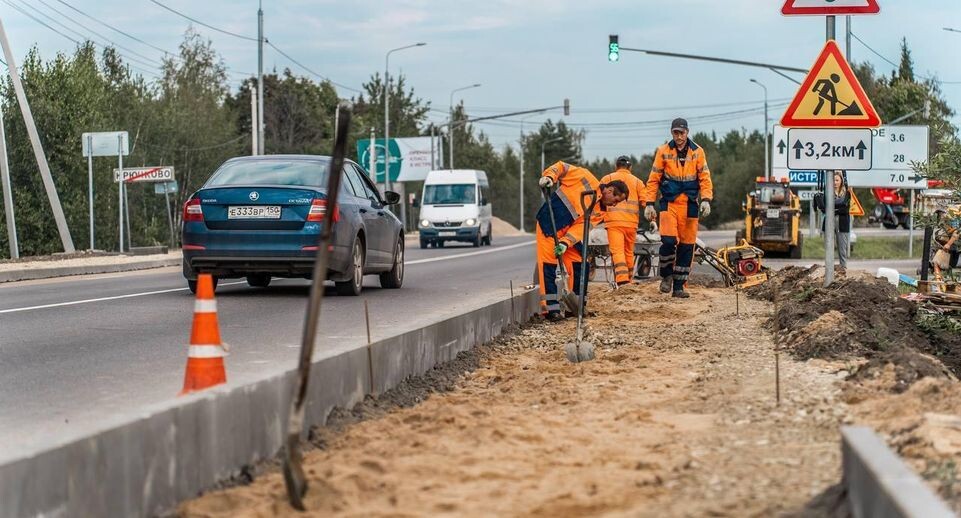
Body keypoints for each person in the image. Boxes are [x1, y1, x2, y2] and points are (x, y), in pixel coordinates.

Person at [536, 161, 629, 320]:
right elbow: (562, 167)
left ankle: (577, 307)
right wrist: (550, 176)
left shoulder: (600, 212)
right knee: (549, 265)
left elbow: (580, 229)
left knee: (581, 262)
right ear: (609, 190)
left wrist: (565, 243)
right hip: (549, 224)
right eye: (616, 200)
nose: (614, 204)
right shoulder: (585, 177)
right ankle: (551, 310)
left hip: (566, 233)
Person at [643, 118, 713, 298]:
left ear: (687, 132)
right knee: (668, 241)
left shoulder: (698, 152)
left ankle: (679, 286)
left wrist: (706, 199)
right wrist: (649, 203)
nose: (679, 136)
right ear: (672, 133)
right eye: (676, 133)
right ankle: (666, 276)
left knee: (687, 246)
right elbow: (653, 179)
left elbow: (704, 177)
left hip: (690, 204)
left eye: (682, 132)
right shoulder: (663, 151)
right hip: (669, 203)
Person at [600, 156, 646, 286]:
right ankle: (629, 280)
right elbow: (645, 202)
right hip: (631, 224)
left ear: (616, 166)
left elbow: (598, 198)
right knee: (629, 252)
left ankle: (622, 280)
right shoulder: (638, 182)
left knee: (617, 251)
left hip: (613, 222)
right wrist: (653, 219)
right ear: (630, 168)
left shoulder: (607, 179)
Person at [813, 170, 851, 268]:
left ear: (841, 181)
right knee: (829, 245)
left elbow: (845, 208)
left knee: (842, 247)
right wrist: (835, 207)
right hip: (829, 221)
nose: (835, 182)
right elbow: (823, 208)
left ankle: (843, 267)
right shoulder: (826, 192)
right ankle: (829, 268)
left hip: (842, 222)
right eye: (833, 180)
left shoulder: (846, 193)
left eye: (837, 180)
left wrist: (831, 208)